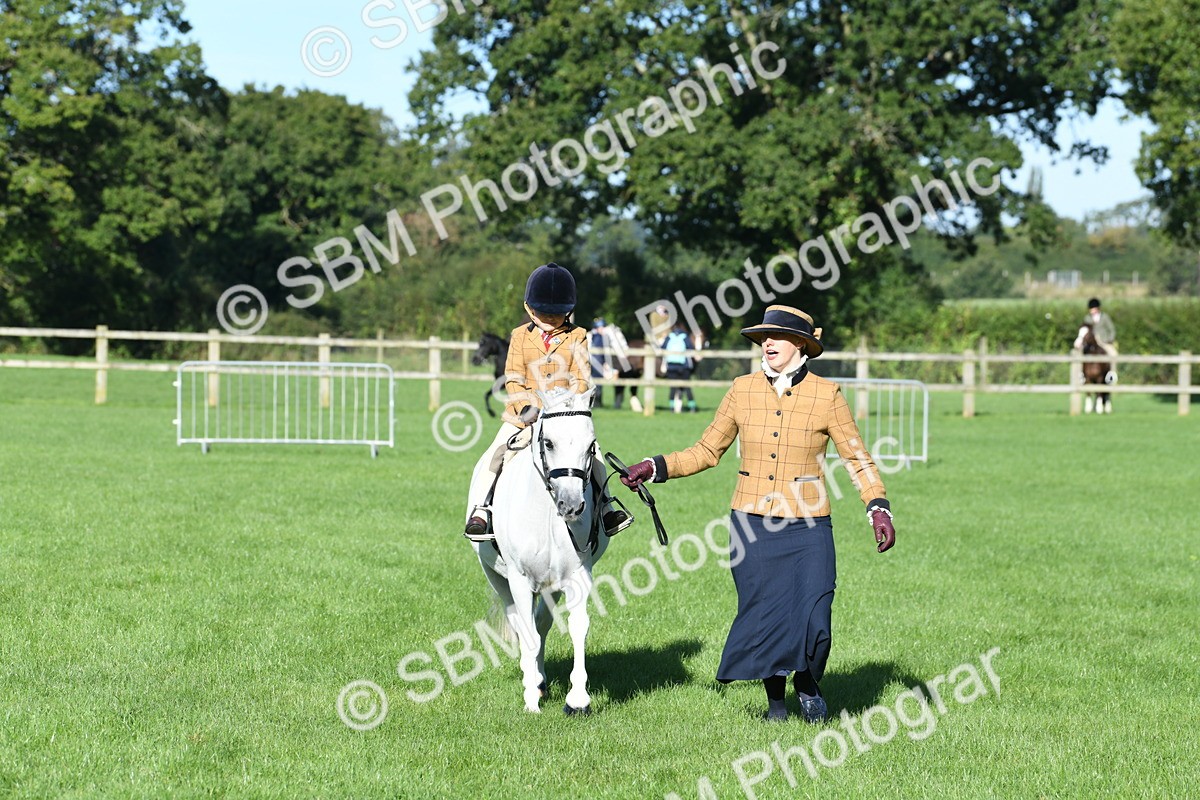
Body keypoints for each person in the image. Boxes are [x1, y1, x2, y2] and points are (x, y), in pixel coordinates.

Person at [620, 305, 896, 722]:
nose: (766, 343)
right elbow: (706, 451)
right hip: (751, 522)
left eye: (777, 336)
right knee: (766, 613)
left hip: (808, 524)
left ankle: (806, 680)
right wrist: (655, 466)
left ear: (800, 344)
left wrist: (877, 507)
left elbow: (856, 459)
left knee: (816, 611)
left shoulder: (828, 395)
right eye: (762, 337)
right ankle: (776, 705)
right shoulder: (741, 389)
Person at [464, 263, 631, 542]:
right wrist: (528, 409)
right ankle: (482, 510)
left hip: (564, 420)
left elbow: (581, 379)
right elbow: (513, 379)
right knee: (496, 453)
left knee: (595, 455)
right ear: (529, 308)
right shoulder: (519, 336)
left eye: (556, 314)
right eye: (544, 313)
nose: (551, 319)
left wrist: (568, 408)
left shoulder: (577, 336)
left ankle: (607, 508)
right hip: (523, 417)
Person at [660, 322, 696, 413]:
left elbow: (662, 348)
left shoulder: (669, 336)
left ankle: (672, 408)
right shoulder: (685, 336)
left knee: (672, 388)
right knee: (687, 387)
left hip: (671, 366)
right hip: (684, 367)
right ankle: (692, 407)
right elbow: (691, 348)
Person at [1084, 298, 1118, 384]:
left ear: (1098, 308)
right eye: (1091, 309)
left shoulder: (1105, 317)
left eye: (1094, 309)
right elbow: (1084, 329)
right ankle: (1081, 375)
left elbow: (1112, 329)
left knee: (1113, 354)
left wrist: (1109, 339)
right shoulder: (1087, 318)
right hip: (1091, 342)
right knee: (1080, 353)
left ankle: (1112, 375)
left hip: (1104, 341)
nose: (1092, 311)